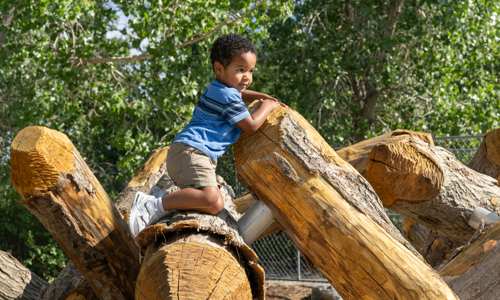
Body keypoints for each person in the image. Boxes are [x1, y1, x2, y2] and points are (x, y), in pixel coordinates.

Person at [129, 33, 284, 237]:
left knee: (216, 204)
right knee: (211, 199)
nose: (247, 77)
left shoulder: (220, 88)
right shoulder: (226, 95)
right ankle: (151, 205)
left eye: (251, 71)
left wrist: (263, 96)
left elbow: (242, 94)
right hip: (192, 152)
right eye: (240, 70)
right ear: (219, 68)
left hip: (189, 153)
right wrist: (266, 106)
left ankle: (164, 198)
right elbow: (251, 125)